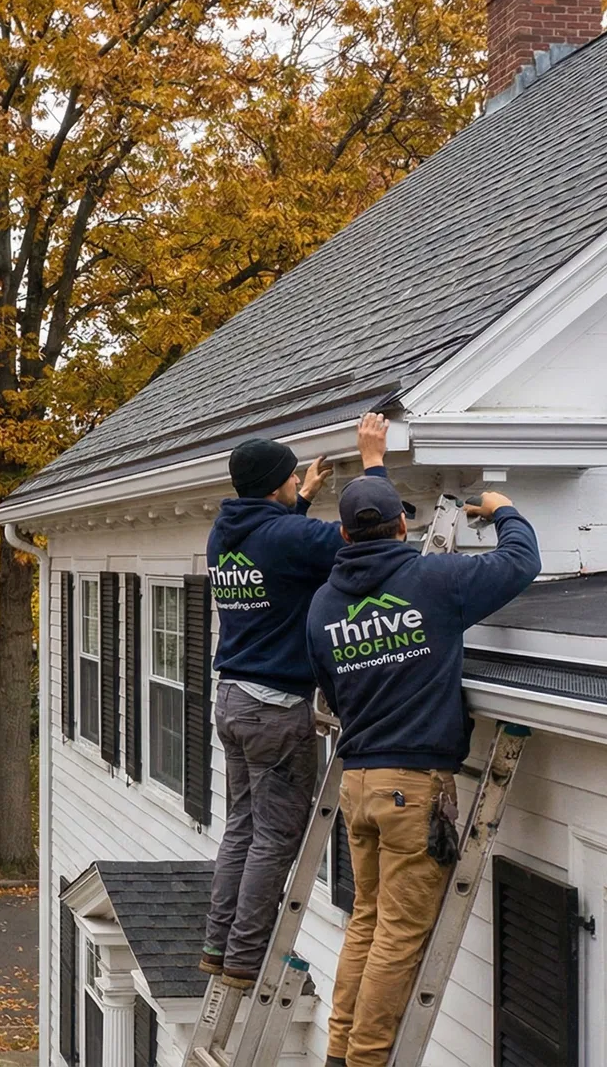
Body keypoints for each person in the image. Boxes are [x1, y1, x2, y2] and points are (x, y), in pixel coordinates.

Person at [305, 478, 540, 1067]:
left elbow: (332, 691)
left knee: (367, 919)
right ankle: (367, 1059)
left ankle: (341, 1049)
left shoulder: (323, 605)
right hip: (412, 788)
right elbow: (520, 563)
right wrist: (501, 508)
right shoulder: (434, 581)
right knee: (400, 933)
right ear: (401, 528)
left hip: (356, 784)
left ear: (343, 534)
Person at [200, 412, 391, 987]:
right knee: (277, 835)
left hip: (231, 699)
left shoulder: (224, 533)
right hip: (274, 709)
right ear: (277, 482)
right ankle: (246, 959)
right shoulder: (287, 535)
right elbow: (370, 528)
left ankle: (218, 946)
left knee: (241, 827)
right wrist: (374, 463)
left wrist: (302, 498)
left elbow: (277, 547)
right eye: (291, 478)